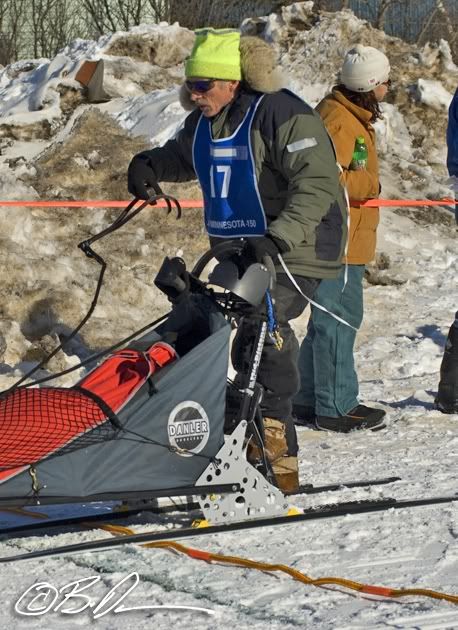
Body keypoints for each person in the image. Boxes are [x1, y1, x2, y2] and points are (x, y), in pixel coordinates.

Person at [127, 28, 348, 492]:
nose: (194, 93)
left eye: (204, 84)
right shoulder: (206, 120)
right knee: (199, 323)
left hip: (297, 246)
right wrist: (149, 164)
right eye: (190, 84)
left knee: (262, 331)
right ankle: (221, 436)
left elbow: (318, 184)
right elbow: (182, 156)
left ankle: (276, 457)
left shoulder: (283, 113)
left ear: (233, 82)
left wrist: (278, 237)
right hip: (240, 249)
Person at [294, 44, 390, 433]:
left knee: (326, 322)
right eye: (385, 82)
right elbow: (324, 177)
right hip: (340, 239)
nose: (388, 88)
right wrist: (367, 183)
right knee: (339, 319)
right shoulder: (339, 121)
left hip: (346, 236)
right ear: (370, 85)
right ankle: (336, 406)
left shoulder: (349, 116)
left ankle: (305, 399)